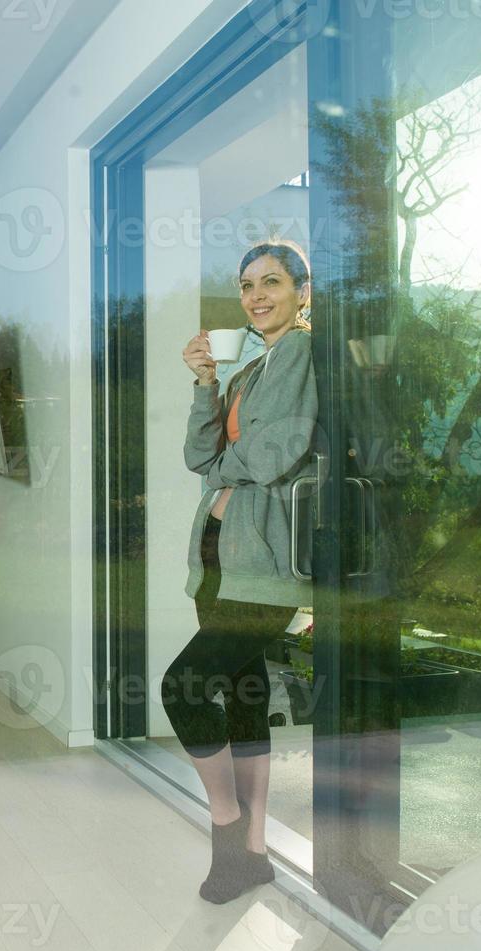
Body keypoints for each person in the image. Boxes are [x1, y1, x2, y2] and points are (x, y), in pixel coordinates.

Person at [166, 240, 318, 904]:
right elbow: (198, 451)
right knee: (244, 696)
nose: (256, 295)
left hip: (262, 567)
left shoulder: (303, 354)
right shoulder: (247, 369)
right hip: (216, 561)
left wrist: (223, 465)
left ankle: (225, 829)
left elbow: (274, 452)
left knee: (184, 688)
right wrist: (204, 383)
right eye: (247, 285)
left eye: (272, 282)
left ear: (301, 292)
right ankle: (251, 857)